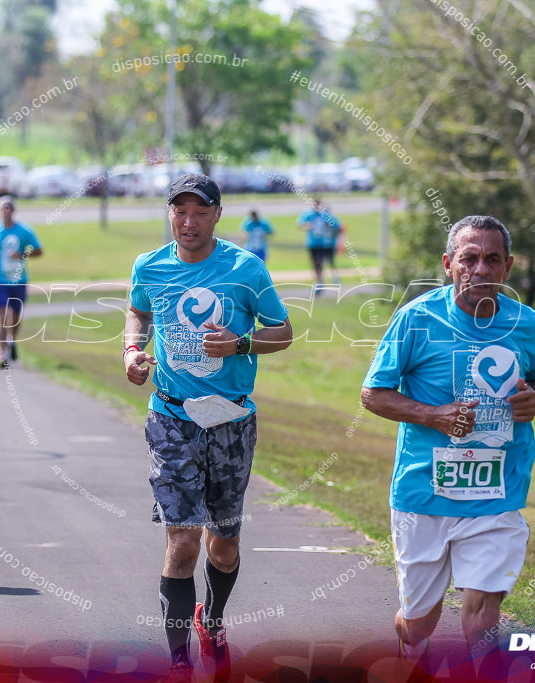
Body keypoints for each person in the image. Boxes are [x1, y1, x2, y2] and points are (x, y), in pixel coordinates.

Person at [360, 215, 535, 668]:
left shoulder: (525, 323)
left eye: (491, 260)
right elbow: (373, 393)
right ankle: (411, 643)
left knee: (483, 616)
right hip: (424, 493)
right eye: (469, 259)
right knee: (420, 622)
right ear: (449, 264)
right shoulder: (416, 319)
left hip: (496, 492)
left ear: (507, 268)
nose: (480, 269)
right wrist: (434, 416)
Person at [123, 174, 293, 682]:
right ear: (169, 214)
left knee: (225, 540)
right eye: (180, 211)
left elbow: (282, 333)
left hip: (230, 420)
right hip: (171, 415)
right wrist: (132, 350)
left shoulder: (245, 268)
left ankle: (212, 620)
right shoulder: (149, 266)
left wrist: (240, 344)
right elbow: (136, 313)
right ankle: (177, 662)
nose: (189, 221)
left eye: (200, 212)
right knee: (182, 540)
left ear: (218, 214)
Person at [0, 195, 42, 369]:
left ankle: (12, 340)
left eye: (9, 207)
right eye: (3, 207)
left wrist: (23, 255)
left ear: (14, 210)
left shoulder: (24, 231)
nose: (6, 211)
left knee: (15, 317)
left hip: (18, 280)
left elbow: (39, 251)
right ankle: (3, 354)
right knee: (2, 315)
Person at [296, 198, 341, 293]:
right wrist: (306, 226)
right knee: (316, 263)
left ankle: (334, 279)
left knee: (329, 261)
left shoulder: (325, 214)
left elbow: (336, 226)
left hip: (325, 243)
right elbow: (300, 224)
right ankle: (319, 282)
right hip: (313, 243)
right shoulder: (308, 214)